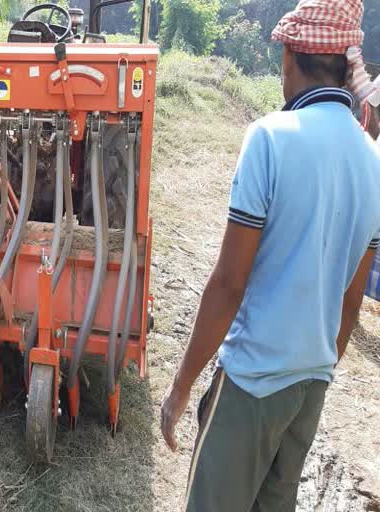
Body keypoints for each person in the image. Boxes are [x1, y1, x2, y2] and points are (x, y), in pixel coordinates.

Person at [159, 1, 380, 510]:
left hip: (252, 386)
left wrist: (181, 385)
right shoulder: (372, 161)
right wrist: (312, 369)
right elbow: (350, 307)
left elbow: (229, 283)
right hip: (310, 389)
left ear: (290, 57)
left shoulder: (270, 138)